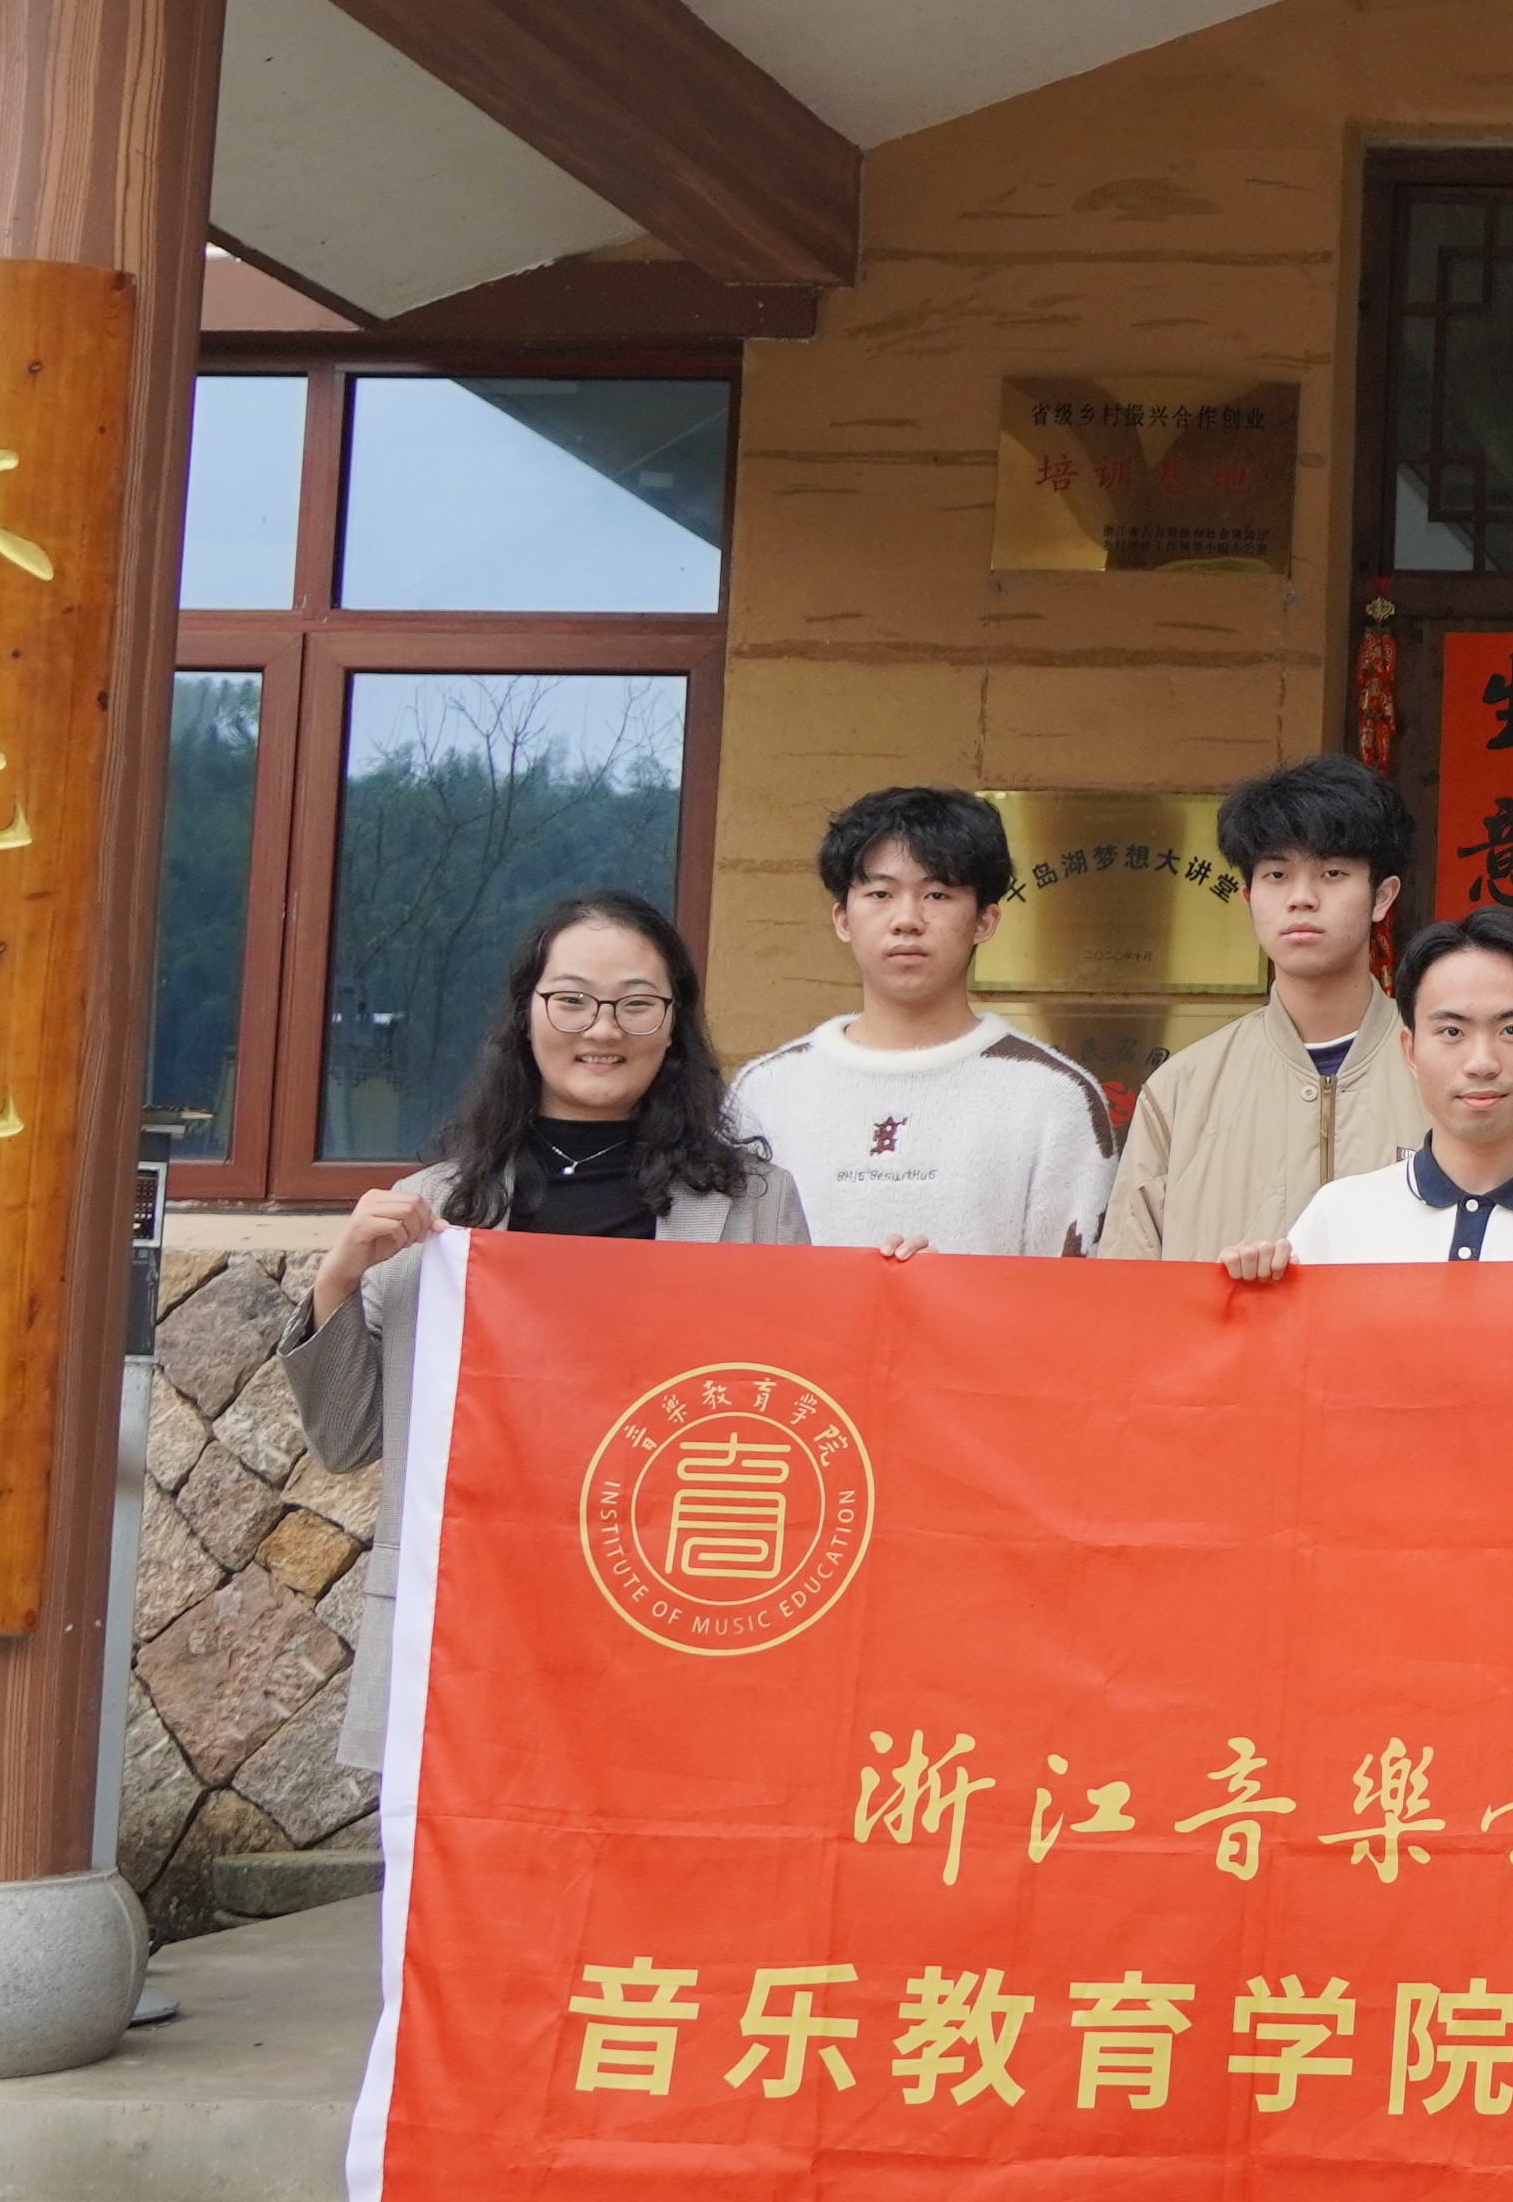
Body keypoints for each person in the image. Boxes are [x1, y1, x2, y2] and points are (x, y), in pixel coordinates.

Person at [283, 895, 813, 1767]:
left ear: (673, 1026)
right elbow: (344, 1441)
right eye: (571, 1000)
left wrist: (886, 1291)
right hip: (473, 1624)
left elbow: (800, 1415)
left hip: (670, 1614)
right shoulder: (432, 1211)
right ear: (525, 1016)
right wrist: (337, 1278)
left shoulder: (754, 1205)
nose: (601, 1029)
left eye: (636, 1003)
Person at [727, 786, 1119, 1258]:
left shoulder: (1055, 1096)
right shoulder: (765, 1091)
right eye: (880, 893)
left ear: (984, 921)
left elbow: (1074, 1290)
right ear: (843, 919)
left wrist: (945, 1291)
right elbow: (726, 1273)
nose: (907, 919)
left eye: (937, 894)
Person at [1096, 753, 1421, 1259]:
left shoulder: (1448, 1075)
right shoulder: (1181, 1090)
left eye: (1332, 872)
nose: (1301, 898)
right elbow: (1128, 1282)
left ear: (1382, 897)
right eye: (1276, 875)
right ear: (1248, 898)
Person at [1230, 910, 1513, 1273]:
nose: (1482, 1062)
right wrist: (1249, 1297)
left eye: (1512, 1030)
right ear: (1410, 1050)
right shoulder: (1339, 1215)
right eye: (1452, 1031)